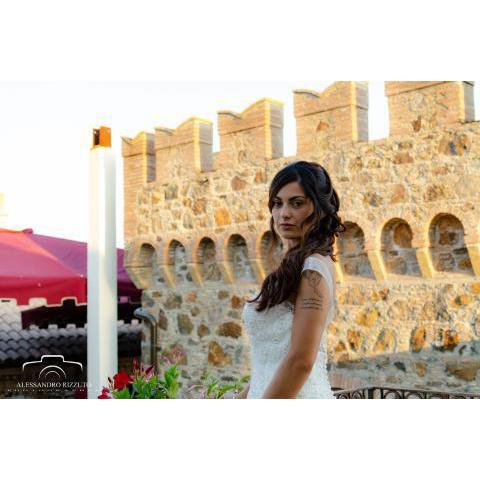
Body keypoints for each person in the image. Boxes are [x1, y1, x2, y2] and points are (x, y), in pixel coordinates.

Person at [236, 160, 346, 399]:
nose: (284, 213)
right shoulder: (295, 263)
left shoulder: (313, 268)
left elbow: (300, 361)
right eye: (277, 203)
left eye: (296, 203)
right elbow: (270, 363)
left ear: (318, 208)